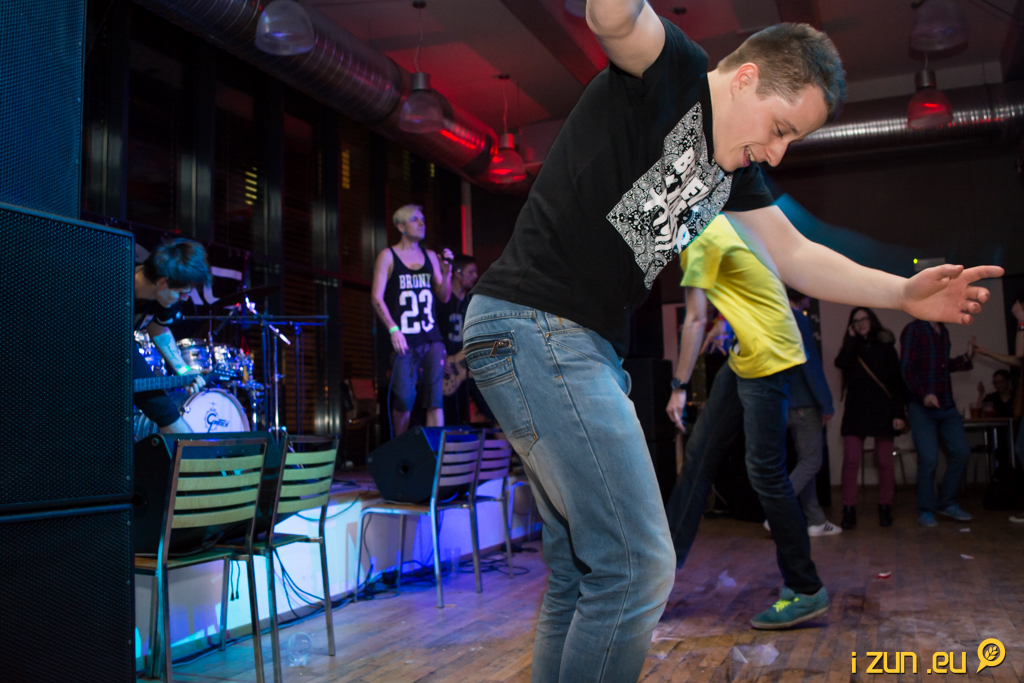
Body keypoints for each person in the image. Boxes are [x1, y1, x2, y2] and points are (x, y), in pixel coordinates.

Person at [463, 2, 1000, 679]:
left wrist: (902, 293)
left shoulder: (731, 174)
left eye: (790, 141)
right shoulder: (672, 74)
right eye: (779, 129)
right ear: (745, 78)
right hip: (538, 326)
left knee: (581, 569)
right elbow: (615, 19)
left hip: (558, 342)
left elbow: (796, 254)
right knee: (637, 565)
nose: (777, 152)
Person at [665, 215, 828, 634]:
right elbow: (753, 284)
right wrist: (729, 321)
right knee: (699, 454)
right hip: (748, 352)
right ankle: (657, 579)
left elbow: (694, 319)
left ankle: (805, 587)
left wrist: (679, 386)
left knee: (765, 471)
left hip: (766, 355)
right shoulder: (727, 225)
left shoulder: (697, 237)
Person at [370, 204, 452, 436]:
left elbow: (444, 296)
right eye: (415, 219)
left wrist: (446, 271)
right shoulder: (388, 256)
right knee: (404, 399)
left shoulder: (430, 256)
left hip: (431, 336)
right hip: (404, 340)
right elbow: (376, 297)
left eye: (423, 219)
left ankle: (435, 452)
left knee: (435, 398)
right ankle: (401, 450)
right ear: (401, 226)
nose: (421, 223)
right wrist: (393, 329)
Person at [834, 307, 906, 528]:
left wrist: (898, 413)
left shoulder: (885, 345)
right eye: (856, 321)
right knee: (851, 461)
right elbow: (841, 363)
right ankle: (848, 510)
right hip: (856, 411)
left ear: (872, 320)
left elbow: (896, 382)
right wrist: (852, 339)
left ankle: (885, 507)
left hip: (882, 409)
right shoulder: (852, 345)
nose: (861, 323)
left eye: (864, 318)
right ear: (852, 325)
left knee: (885, 461)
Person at [900, 318, 975, 527]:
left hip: (946, 404)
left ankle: (947, 503)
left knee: (961, 452)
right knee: (929, 459)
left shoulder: (943, 332)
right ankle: (926, 510)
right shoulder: (913, 329)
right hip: (921, 407)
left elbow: (942, 365)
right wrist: (924, 394)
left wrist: (966, 357)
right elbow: (906, 369)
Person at [133, 238, 212, 434]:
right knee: (162, 409)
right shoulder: (115, 286)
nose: (184, 299)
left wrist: (183, 369)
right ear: (162, 281)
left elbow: (158, 328)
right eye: (181, 293)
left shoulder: (161, 296)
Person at [784, 288, 839, 536]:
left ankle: (815, 520)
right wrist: (826, 403)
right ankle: (776, 513)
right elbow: (811, 364)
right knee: (811, 462)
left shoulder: (780, 317)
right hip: (804, 404)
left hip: (786, 403)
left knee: (805, 461)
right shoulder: (799, 319)